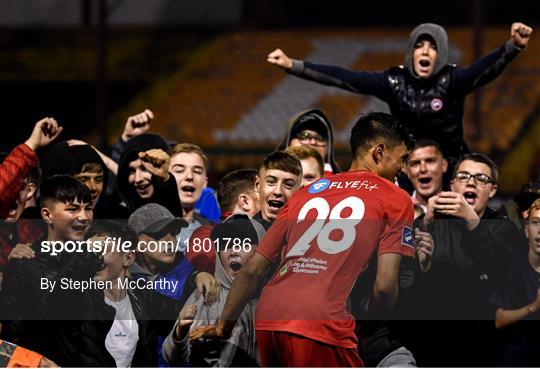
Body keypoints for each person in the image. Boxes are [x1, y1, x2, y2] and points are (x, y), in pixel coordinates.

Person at [189, 112, 415, 367]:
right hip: (323, 323)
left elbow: (253, 269)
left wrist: (222, 326)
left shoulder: (305, 193)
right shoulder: (396, 198)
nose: (403, 168)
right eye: (403, 159)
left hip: (271, 315)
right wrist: (368, 327)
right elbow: (384, 286)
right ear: (379, 151)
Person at [268, 22, 533, 164]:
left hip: (451, 161)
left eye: (432, 46)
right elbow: (345, 78)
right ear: (411, 52)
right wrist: (294, 65)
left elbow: (483, 71)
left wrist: (512, 47)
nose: (425, 51)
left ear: (440, 54)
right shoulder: (393, 81)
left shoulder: (452, 79)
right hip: (406, 164)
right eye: (420, 45)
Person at [412, 153, 522, 366]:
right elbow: (405, 279)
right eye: (463, 176)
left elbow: (502, 270)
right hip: (431, 346)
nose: (471, 182)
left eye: (481, 179)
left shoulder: (504, 227)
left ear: (493, 191)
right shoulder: (430, 222)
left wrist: (471, 220)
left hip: (485, 349)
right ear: (452, 185)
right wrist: (426, 223)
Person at [0, 175, 93, 362]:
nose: (83, 217)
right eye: (73, 209)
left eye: (88, 208)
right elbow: (13, 337)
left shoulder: (99, 263)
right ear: (47, 215)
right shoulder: (24, 263)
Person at [163, 214, 265, 367]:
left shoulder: (272, 297)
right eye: (225, 245)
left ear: (261, 250)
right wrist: (179, 334)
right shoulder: (209, 295)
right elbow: (172, 357)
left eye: (243, 244)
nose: (233, 252)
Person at [491, 198, 540, 365]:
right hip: (519, 353)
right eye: (536, 222)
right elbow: (499, 320)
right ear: (527, 230)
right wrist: (533, 306)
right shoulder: (514, 261)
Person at [186, 168, 261, 274]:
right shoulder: (205, 235)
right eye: (263, 194)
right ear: (245, 201)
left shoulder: (267, 232)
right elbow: (218, 275)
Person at [0, 117, 62, 219]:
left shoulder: (36, 232)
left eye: (19, 186)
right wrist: (31, 144)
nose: (10, 193)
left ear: (30, 191)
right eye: (9, 184)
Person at [116, 133, 182, 217]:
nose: (137, 179)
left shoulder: (184, 207)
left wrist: (165, 181)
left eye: (144, 169)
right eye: (131, 171)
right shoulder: (118, 214)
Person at [276, 108, 340, 175]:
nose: (313, 142)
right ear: (288, 142)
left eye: (320, 138)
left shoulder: (340, 183)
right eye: (304, 136)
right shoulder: (268, 179)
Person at [253, 150, 303, 230]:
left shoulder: (307, 235)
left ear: (299, 191)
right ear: (258, 185)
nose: (278, 191)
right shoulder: (240, 234)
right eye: (271, 182)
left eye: (288, 185)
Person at [404, 139, 448, 216]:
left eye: (430, 161)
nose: (423, 169)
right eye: (415, 163)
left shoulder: (463, 208)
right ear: (406, 170)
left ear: (444, 165)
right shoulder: (397, 210)